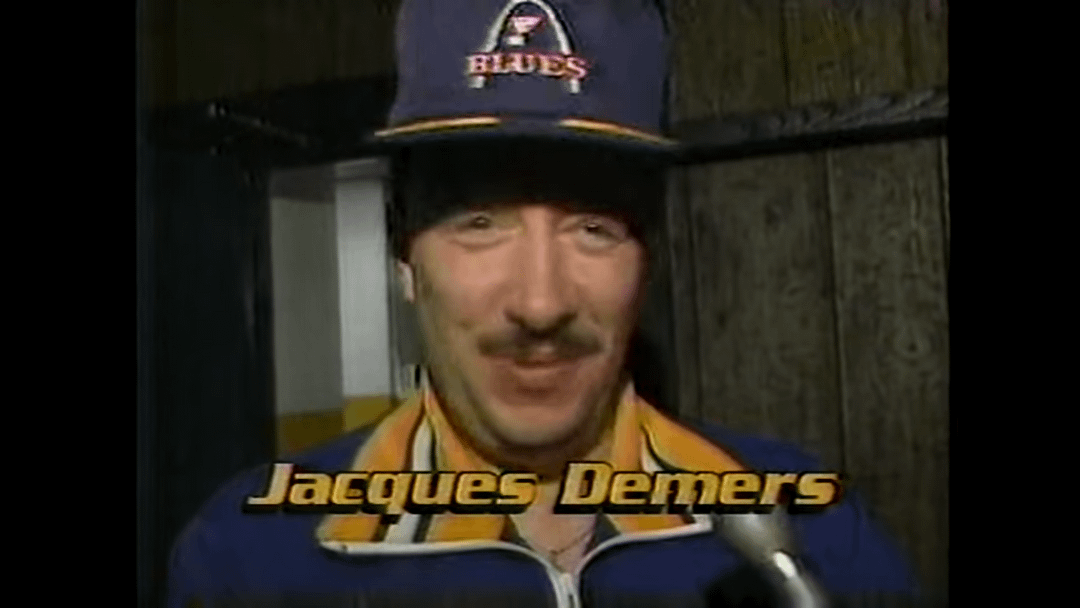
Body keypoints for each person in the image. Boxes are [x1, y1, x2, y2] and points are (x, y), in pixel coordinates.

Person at [166, 1, 919, 606]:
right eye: (479, 222)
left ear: (648, 261)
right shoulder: (250, 558)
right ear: (404, 260)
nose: (539, 303)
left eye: (593, 227)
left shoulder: (816, 532)